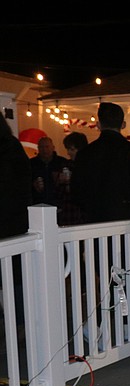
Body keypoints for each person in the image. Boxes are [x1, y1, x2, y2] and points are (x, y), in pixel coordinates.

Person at [72, 102, 130, 223]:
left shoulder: (85, 153)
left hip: (94, 217)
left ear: (99, 125)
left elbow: (76, 189)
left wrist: (87, 209)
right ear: (122, 124)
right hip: (126, 217)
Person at [0, 112, 34, 327]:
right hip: (14, 221)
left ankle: (13, 323)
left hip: (9, 219)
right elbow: (25, 182)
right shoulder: (12, 146)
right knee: (16, 277)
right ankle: (21, 323)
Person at [55, 131, 88, 225]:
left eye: (72, 149)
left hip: (80, 214)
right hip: (68, 214)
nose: (68, 153)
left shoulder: (87, 166)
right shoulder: (66, 164)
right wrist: (60, 182)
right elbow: (58, 194)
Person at [30, 135, 68, 205]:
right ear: (38, 148)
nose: (44, 150)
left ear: (53, 148)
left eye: (47, 147)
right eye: (41, 147)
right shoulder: (31, 164)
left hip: (59, 203)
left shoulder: (63, 163)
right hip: (38, 203)